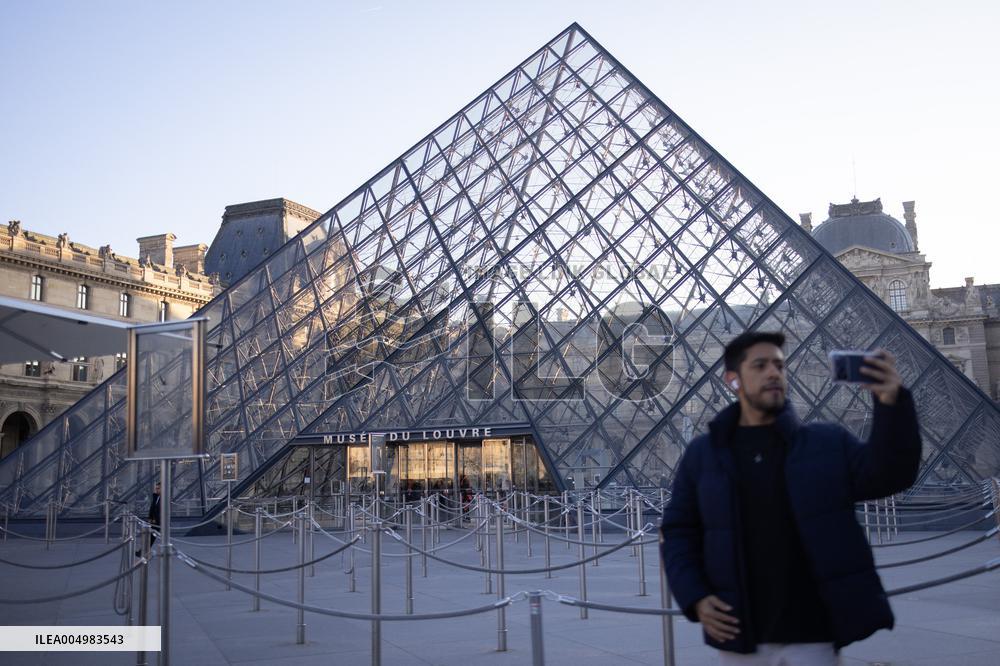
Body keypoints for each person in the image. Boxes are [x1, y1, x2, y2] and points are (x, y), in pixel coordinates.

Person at [660, 331, 922, 664]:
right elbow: (678, 531)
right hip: (740, 633)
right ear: (733, 380)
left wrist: (892, 405)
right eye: (760, 365)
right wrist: (694, 596)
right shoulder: (702, 454)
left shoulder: (827, 442)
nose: (773, 373)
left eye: (779, 366)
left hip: (812, 633)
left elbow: (891, 474)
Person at [137, 481, 161, 557]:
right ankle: (143, 551)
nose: (156, 490)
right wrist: (150, 519)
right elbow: (152, 509)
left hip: (158, 521)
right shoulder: (157, 497)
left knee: (151, 538)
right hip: (154, 521)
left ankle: (143, 552)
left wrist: (154, 520)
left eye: (158, 488)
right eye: (156, 488)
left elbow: (161, 511)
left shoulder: (164, 498)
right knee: (150, 537)